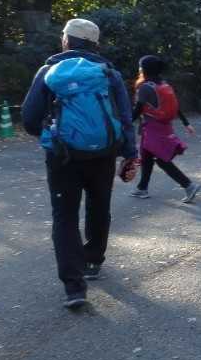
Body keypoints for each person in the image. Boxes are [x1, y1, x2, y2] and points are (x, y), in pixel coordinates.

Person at [21, 18, 138, 309]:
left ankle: (74, 288)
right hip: (103, 154)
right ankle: (93, 261)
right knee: (99, 206)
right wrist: (129, 153)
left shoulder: (49, 71)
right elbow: (125, 117)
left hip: (62, 156)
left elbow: (29, 119)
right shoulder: (109, 73)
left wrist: (51, 134)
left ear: (66, 41)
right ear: (95, 45)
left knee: (65, 217)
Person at [128, 55, 200, 203]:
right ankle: (142, 188)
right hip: (162, 127)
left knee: (161, 160)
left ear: (144, 69)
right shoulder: (164, 84)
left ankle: (189, 185)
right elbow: (176, 107)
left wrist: (124, 125)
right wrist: (186, 123)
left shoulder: (145, 87)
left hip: (152, 129)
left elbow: (137, 110)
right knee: (147, 157)